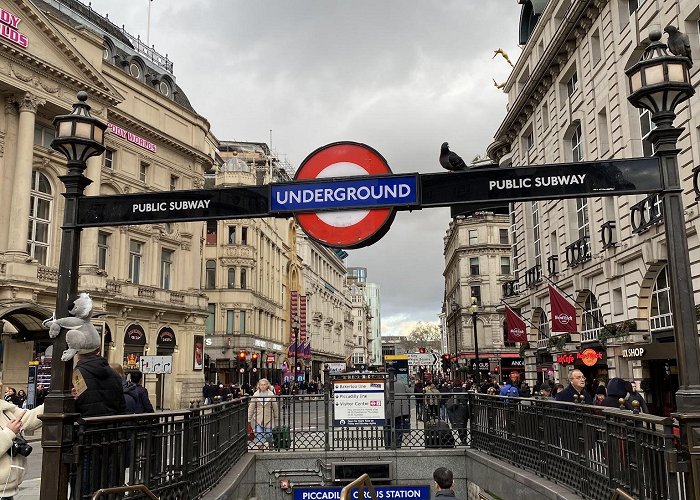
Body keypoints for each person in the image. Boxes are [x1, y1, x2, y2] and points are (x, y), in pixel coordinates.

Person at [0, 382, 44, 500]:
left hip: (7, 490)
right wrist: (9, 432)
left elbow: (28, 418)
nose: (1, 384)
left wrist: (52, 403)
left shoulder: (4, 407)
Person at [72, 350, 127, 417]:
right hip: (111, 424)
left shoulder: (77, 374)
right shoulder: (115, 374)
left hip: (87, 423)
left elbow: (76, 403)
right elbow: (122, 407)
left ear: (78, 355)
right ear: (98, 352)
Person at [247, 378, 278, 449]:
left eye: (264, 385)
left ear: (267, 385)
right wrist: (249, 418)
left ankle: (270, 443)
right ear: (259, 386)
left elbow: (275, 406)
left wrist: (276, 417)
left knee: (268, 434)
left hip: (268, 417)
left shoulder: (271, 394)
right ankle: (260, 447)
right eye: (261, 385)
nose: (263, 386)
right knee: (259, 433)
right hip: (258, 417)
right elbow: (251, 407)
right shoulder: (256, 394)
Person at [385, 376, 411, 449]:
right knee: (399, 427)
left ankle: (389, 445)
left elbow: (386, 398)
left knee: (389, 427)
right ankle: (398, 444)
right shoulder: (402, 383)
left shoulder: (386, 385)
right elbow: (409, 392)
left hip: (391, 410)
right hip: (402, 409)